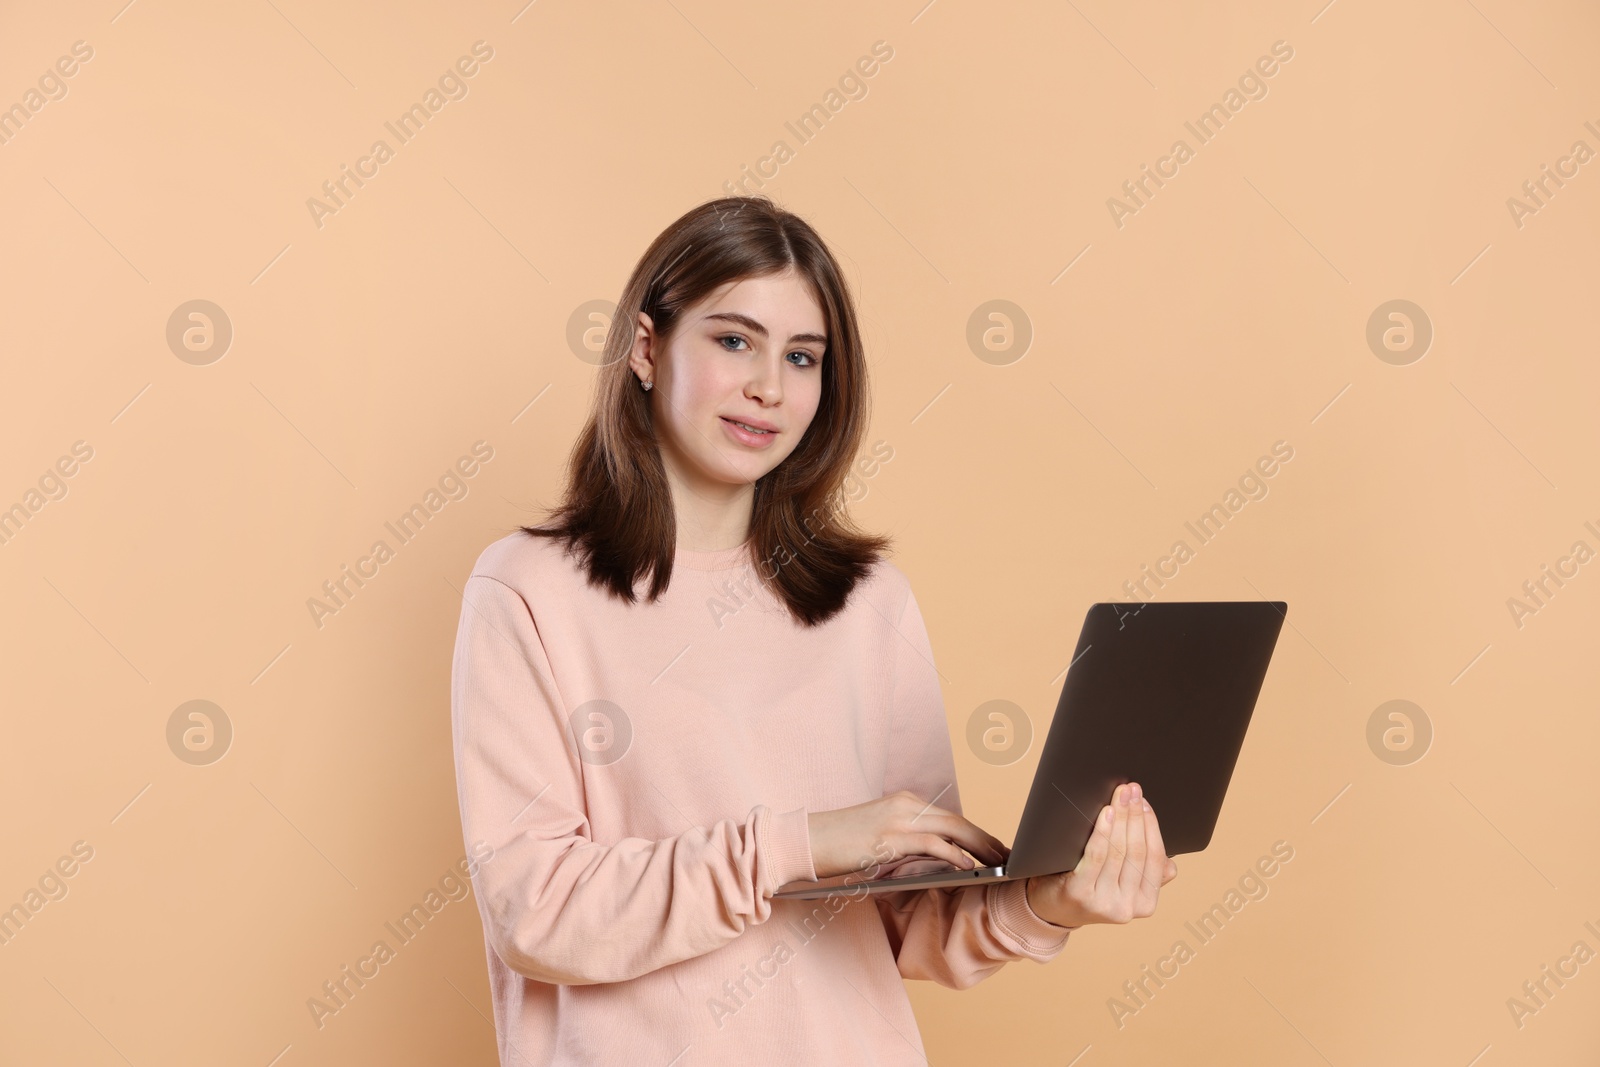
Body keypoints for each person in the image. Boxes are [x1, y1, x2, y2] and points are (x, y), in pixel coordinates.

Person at [449, 195, 1178, 1066]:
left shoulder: (871, 602)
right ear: (646, 348)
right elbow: (537, 913)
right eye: (733, 340)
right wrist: (802, 844)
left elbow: (916, 915)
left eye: (802, 357)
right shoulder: (527, 593)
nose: (770, 386)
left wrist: (1053, 899)